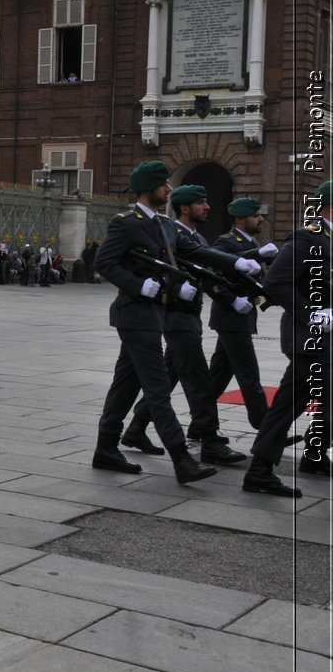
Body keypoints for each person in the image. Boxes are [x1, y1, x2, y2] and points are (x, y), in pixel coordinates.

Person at [90, 161, 262, 483]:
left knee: (125, 386)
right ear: (147, 187)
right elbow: (104, 263)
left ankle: (106, 448)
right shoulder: (126, 223)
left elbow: (199, 253)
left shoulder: (166, 226)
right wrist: (138, 285)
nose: (168, 189)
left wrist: (237, 261)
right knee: (157, 389)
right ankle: (182, 459)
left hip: (153, 314)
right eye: (163, 184)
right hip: (134, 314)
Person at [118, 184, 246, 466]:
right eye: (202, 203)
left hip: (187, 313)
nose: (208, 207)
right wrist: (176, 290)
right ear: (185, 208)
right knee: (198, 378)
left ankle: (136, 429)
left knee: (169, 374)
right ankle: (209, 439)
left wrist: (239, 269)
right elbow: (159, 267)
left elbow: (205, 268)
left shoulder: (194, 235)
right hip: (176, 315)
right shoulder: (168, 231)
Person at [241, 179, 333, 496]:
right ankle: (260, 471)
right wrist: (312, 313)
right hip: (311, 340)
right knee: (289, 405)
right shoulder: (307, 240)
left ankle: (314, 455)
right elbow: (276, 284)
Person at [206, 196, 275, 432]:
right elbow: (216, 269)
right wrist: (232, 300)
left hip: (244, 315)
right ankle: (266, 428)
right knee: (249, 374)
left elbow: (260, 281)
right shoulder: (226, 242)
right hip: (231, 314)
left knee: (218, 376)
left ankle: (199, 424)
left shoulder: (251, 243)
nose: (261, 219)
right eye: (255, 215)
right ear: (240, 219)